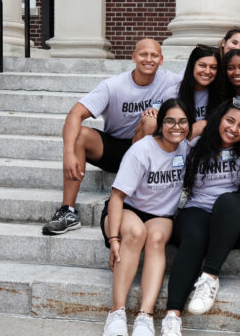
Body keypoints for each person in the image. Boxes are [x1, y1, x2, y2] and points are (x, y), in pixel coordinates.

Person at [41, 39, 181, 236]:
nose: (148, 59)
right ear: (133, 57)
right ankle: (67, 211)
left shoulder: (170, 81)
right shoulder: (113, 86)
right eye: (143, 54)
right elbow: (75, 114)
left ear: (161, 60)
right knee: (80, 135)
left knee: (151, 122)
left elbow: (200, 73)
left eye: (154, 55)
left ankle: (138, 198)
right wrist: (68, 154)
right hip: (115, 148)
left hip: (146, 149)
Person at [161, 99, 240, 336]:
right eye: (230, 120)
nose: (234, 129)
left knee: (227, 201)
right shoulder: (195, 146)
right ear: (218, 119)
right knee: (194, 235)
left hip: (237, 219)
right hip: (199, 210)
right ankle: (172, 317)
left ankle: (209, 277)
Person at [101, 99, 192, 336]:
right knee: (134, 232)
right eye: (170, 121)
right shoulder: (141, 150)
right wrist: (113, 239)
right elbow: (117, 197)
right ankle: (117, 312)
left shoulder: (186, 148)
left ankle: (145, 316)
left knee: (156, 238)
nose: (177, 127)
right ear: (160, 124)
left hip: (160, 216)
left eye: (183, 121)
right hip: (126, 210)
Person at [176, 45, 222, 137]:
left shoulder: (221, 93)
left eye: (213, 67)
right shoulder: (174, 93)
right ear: (192, 65)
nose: (207, 71)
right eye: (202, 65)